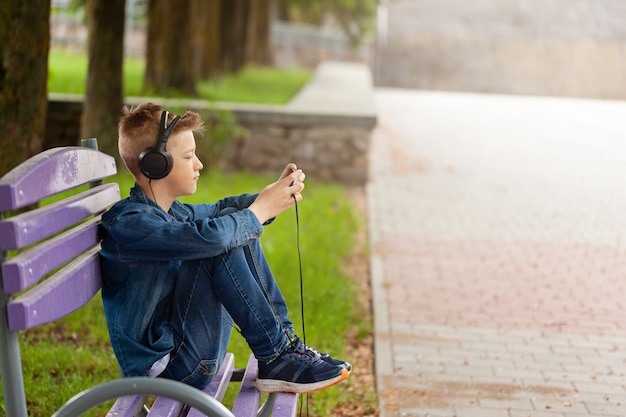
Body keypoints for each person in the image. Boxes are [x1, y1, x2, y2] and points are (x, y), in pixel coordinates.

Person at [99, 102, 351, 394]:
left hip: (188, 354)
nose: (199, 164)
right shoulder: (130, 224)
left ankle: (283, 348)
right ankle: (278, 356)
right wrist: (258, 211)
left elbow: (220, 210)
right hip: (167, 371)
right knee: (219, 241)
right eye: (189, 156)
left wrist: (268, 198)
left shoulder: (171, 212)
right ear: (155, 164)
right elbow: (213, 237)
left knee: (229, 229)